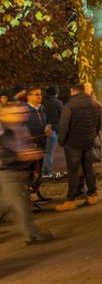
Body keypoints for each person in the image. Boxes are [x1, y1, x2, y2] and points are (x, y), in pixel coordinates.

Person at [0, 103, 55, 245]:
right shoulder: (2, 130)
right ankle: (32, 235)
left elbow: (24, 145)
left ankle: (32, 234)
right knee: (20, 204)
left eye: (21, 113)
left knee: (10, 204)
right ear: (4, 115)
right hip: (6, 171)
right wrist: (19, 156)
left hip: (16, 170)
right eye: (15, 114)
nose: (20, 116)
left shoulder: (20, 127)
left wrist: (28, 158)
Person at [55, 83, 102, 211]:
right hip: (88, 142)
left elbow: (64, 127)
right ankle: (92, 195)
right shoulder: (96, 105)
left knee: (74, 172)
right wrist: (91, 136)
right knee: (88, 169)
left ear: (73, 91)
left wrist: (61, 141)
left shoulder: (69, 106)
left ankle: (71, 200)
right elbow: (98, 125)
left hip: (73, 143)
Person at [23, 87, 51, 202]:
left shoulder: (41, 109)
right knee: (30, 172)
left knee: (39, 172)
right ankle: (28, 196)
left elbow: (44, 124)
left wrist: (47, 129)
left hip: (41, 143)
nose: (40, 96)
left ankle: (36, 194)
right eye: (36, 94)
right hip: (30, 146)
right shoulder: (24, 110)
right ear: (29, 96)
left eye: (40, 94)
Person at [41, 86, 62, 177]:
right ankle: (48, 171)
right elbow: (62, 116)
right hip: (53, 129)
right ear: (56, 93)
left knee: (46, 151)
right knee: (50, 151)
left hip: (44, 128)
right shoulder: (58, 103)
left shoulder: (44, 103)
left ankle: (44, 169)